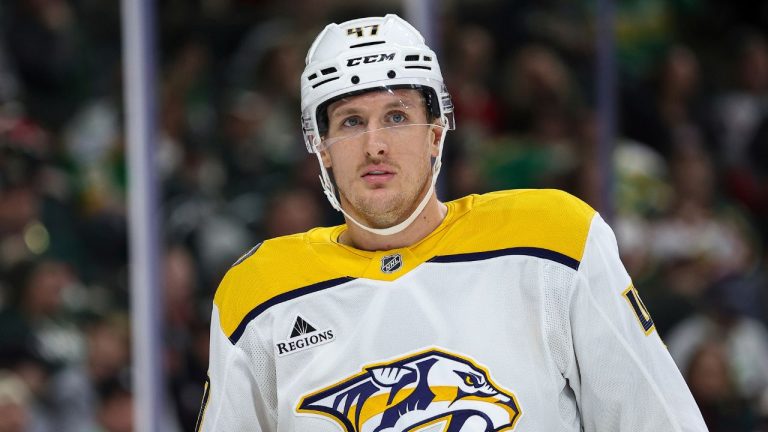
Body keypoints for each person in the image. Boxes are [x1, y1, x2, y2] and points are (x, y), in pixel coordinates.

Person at [197, 14, 707, 431]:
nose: (375, 144)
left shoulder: (555, 240)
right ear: (321, 148)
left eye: (397, 116)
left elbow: (656, 419)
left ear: (436, 134)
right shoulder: (259, 293)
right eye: (351, 121)